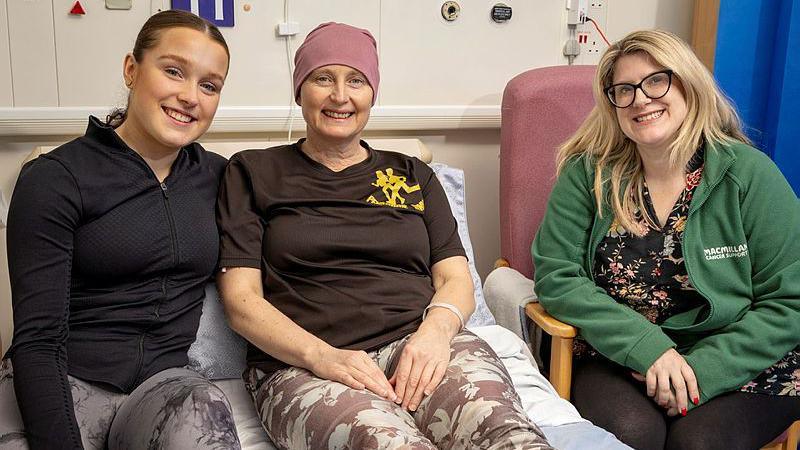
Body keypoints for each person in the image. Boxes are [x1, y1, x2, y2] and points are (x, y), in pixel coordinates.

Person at [216, 22, 554, 449]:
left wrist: (434, 334)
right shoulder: (251, 172)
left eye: (356, 80)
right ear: (300, 89)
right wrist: (325, 358)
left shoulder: (413, 174)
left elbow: (455, 279)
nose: (341, 95)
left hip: (421, 345)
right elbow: (241, 302)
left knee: (507, 435)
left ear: (372, 93)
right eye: (323, 78)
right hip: (304, 366)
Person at [532, 29, 800, 450]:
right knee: (633, 434)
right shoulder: (589, 174)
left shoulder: (749, 175)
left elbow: (791, 300)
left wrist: (701, 371)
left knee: (701, 444)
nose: (640, 99)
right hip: (616, 356)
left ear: (688, 84)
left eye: (657, 80)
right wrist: (649, 349)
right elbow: (557, 277)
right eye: (625, 90)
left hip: (740, 362)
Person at [0, 10, 241, 450]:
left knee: (204, 410)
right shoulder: (54, 178)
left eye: (209, 85)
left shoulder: (222, 179)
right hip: (63, 381)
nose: (190, 96)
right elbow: (37, 341)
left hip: (164, 389)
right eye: (173, 71)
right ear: (132, 70)